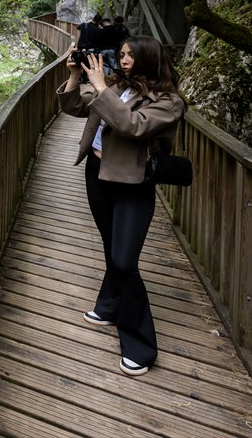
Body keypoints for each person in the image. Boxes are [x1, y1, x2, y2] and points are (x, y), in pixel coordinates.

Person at [57, 35, 185, 376]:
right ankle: (109, 306)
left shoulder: (168, 102)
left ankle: (140, 346)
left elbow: (133, 126)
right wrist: (75, 75)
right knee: (110, 245)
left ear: (149, 58)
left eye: (131, 55)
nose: (124, 59)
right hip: (97, 173)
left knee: (124, 260)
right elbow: (74, 106)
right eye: (122, 54)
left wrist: (101, 87)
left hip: (132, 183)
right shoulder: (118, 86)